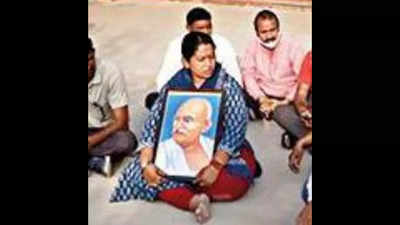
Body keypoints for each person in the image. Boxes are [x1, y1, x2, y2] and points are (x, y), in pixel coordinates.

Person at [111, 32, 260, 224]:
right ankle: (195, 200)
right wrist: (147, 164)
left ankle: (180, 188)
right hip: (178, 152)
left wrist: (215, 166)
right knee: (140, 174)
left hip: (221, 152)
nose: (209, 64)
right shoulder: (176, 83)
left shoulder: (227, 85)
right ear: (186, 62)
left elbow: (236, 129)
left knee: (234, 183)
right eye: (201, 59)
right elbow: (153, 122)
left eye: (212, 57)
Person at [145, 7, 242, 110]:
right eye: (200, 28)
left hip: (216, 92)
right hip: (186, 94)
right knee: (154, 100)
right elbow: (165, 78)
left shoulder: (223, 44)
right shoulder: (176, 45)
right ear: (188, 27)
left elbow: (234, 75)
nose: (205, 31)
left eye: (208, 27)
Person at [241, 9, 308, 149]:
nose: (269, 36)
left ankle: (295, 133)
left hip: (289, 95)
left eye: (273, 30)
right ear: (257, 33)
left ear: (278, 29)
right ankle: (261, 111)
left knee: (293, 108)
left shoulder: (292, 45)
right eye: (264, 32)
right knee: (239, 91)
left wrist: (284, 101)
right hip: (263, 94)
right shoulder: (252, 46)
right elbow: (248, 74)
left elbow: (302, 79)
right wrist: (261, 98)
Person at [88, 37, 138, 177]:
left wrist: (92, 141)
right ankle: (95, 161)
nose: (88, 67)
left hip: (106, 132)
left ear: (94, 53)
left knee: (127, 141)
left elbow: (122, 122)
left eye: (90, 59)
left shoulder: (110, 71)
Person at [156, 98, 215, 177]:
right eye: (177, 119)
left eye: (187, 120)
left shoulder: (212, 146)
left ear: (206, 125)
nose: (178, 125)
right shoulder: (163, 150)